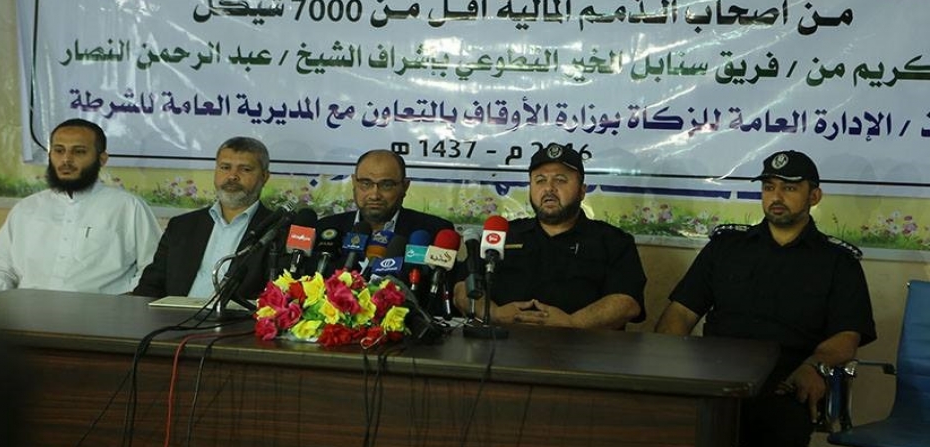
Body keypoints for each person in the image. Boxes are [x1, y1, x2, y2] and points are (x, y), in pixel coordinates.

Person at [655, 150, 876, 447]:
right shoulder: (726, 247)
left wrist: (813, 366)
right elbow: (680, 313)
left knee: (776, 427)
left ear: (814, 196)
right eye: (769, 187)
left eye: (789, 188)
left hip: (784, 382)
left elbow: (847, 337)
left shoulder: (838, 262)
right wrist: (668, 367)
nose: (776, 196)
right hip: (715, 376)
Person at [454, 143, 646, 329]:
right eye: (540, 180)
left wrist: (573, 323)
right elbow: (462, 287)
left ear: (582, 191)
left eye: (560, 180)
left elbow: (627, 302)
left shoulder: (613, 241)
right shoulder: (502, 234)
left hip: (582, 347)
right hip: (502, 343)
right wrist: (493, 313)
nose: (549, 188)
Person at [0, 118, 161, 296]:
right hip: (27, 314)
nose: (66, 160)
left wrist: (125, 304)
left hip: (103, 315)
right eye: (59, 150)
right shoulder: (27, 208)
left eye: (79, 152)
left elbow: (154, 269)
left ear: (102, 159)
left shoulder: (128, 207)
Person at [133, 137, 280, 301]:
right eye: (225, 167)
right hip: (175, 314)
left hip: (238, 317)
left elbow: (281, 297)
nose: (232, 176)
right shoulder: (181, 226)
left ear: (264, 177)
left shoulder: (278, 230)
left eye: (245, 169)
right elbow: (149, 287)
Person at [309, 149, 454, 275]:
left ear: (405, 186)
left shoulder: (434, 232)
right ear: (354, 182)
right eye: (366, 183)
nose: (374, 195)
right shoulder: (325, 228)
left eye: (386, 185)